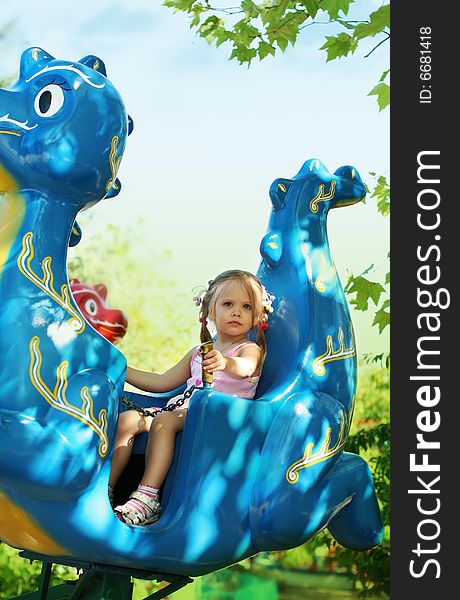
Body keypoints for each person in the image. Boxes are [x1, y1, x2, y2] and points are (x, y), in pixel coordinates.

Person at [110, 270, 274, 526]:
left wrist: (226, 363)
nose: (237, 312)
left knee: (165, 420)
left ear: (256, 316)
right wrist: (121, 369)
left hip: (220, 420)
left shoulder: (248, 349)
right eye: (228, 304)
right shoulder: (198, 352)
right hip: (185, 413)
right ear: (209, 310)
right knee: (129, 420)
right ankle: (106, 488)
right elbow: (162, 382)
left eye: (246, 306)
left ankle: (147, 497)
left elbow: (246, 368)